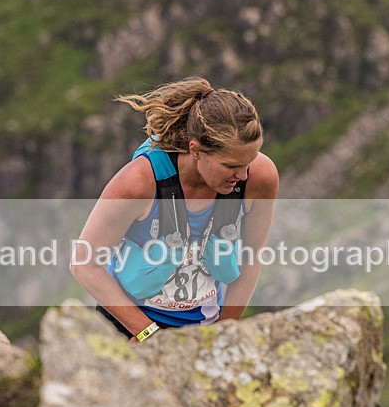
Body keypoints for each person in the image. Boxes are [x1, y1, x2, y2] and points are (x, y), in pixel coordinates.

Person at [70, 77, 278, 343]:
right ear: (197, 150)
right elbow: (84, 264)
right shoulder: (138, 182)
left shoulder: (260, 177)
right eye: (230, 165)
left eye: (249, 161)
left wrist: (223, 336)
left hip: (205, 329)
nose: (243, 174)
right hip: (132, 330)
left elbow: (251, 259)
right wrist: (148, 334)